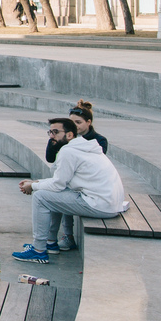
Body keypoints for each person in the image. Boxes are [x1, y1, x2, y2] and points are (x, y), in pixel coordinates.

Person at [12, 117, 129, 263]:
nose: (51, 136)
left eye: (55, 132)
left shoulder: (68, 152)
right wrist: (35, 182)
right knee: (49, 194)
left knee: (40, 197)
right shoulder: (82, 147)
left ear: (69, 135)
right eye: (50, 132)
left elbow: (58, 185)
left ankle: (38, 250)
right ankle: (50, 243)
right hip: (107, 202)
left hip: (100, 205)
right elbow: (61, 183)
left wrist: (33, 186)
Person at [42, 101, 109, 249]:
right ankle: (56, 237)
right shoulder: (67, 137)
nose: (75, 125)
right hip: (73, 181)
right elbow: (50, 158)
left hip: (89, 186)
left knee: (59, 191)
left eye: (78, 122)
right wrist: (53, 139)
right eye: (71, 122)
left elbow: (93, 166)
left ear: (89, 122)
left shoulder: (99, 140)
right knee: (59, 190)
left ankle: (63, 237)